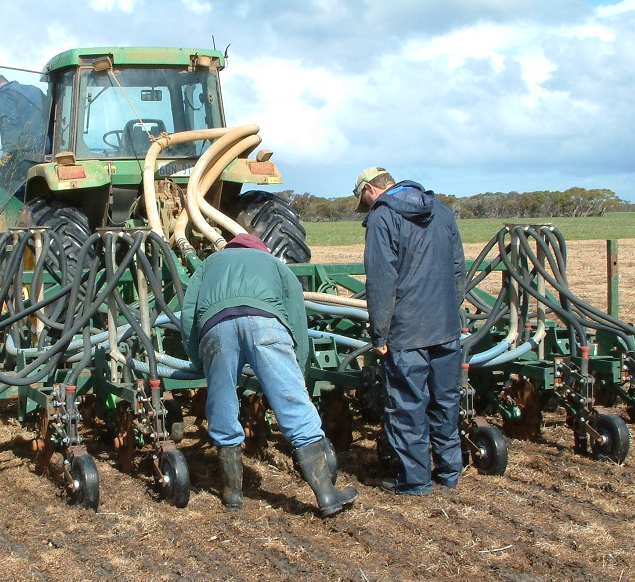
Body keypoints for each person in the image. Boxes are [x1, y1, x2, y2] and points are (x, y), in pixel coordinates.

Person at [181, 233, 358, 517]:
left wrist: (197, 359)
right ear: (260, 249)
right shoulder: (275, 264)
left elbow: (188, 314)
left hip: (217, 327)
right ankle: (327, 495)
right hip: (267, 325)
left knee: (223, 406)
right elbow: (297, 318)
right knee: (293, 406)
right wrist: (297, 369)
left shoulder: (209, 264)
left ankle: (232, 496)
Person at [355, 167, 466, 496]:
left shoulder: (382, 217)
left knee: (407, 406)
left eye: (363, 198)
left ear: (372, 189)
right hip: (446, 327)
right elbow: (459, 267)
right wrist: (448, 309)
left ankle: (415, 482)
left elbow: (381, 278)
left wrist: (380, 333)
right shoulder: (441, 208)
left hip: (406, 333)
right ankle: (449, 473)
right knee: (446, 401)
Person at [0, 74, 47, 164]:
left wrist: (8, 150)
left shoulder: (3, 93)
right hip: (47, 148)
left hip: (28, 153)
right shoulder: (34, 90)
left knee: (10, 176)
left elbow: (8, 121)